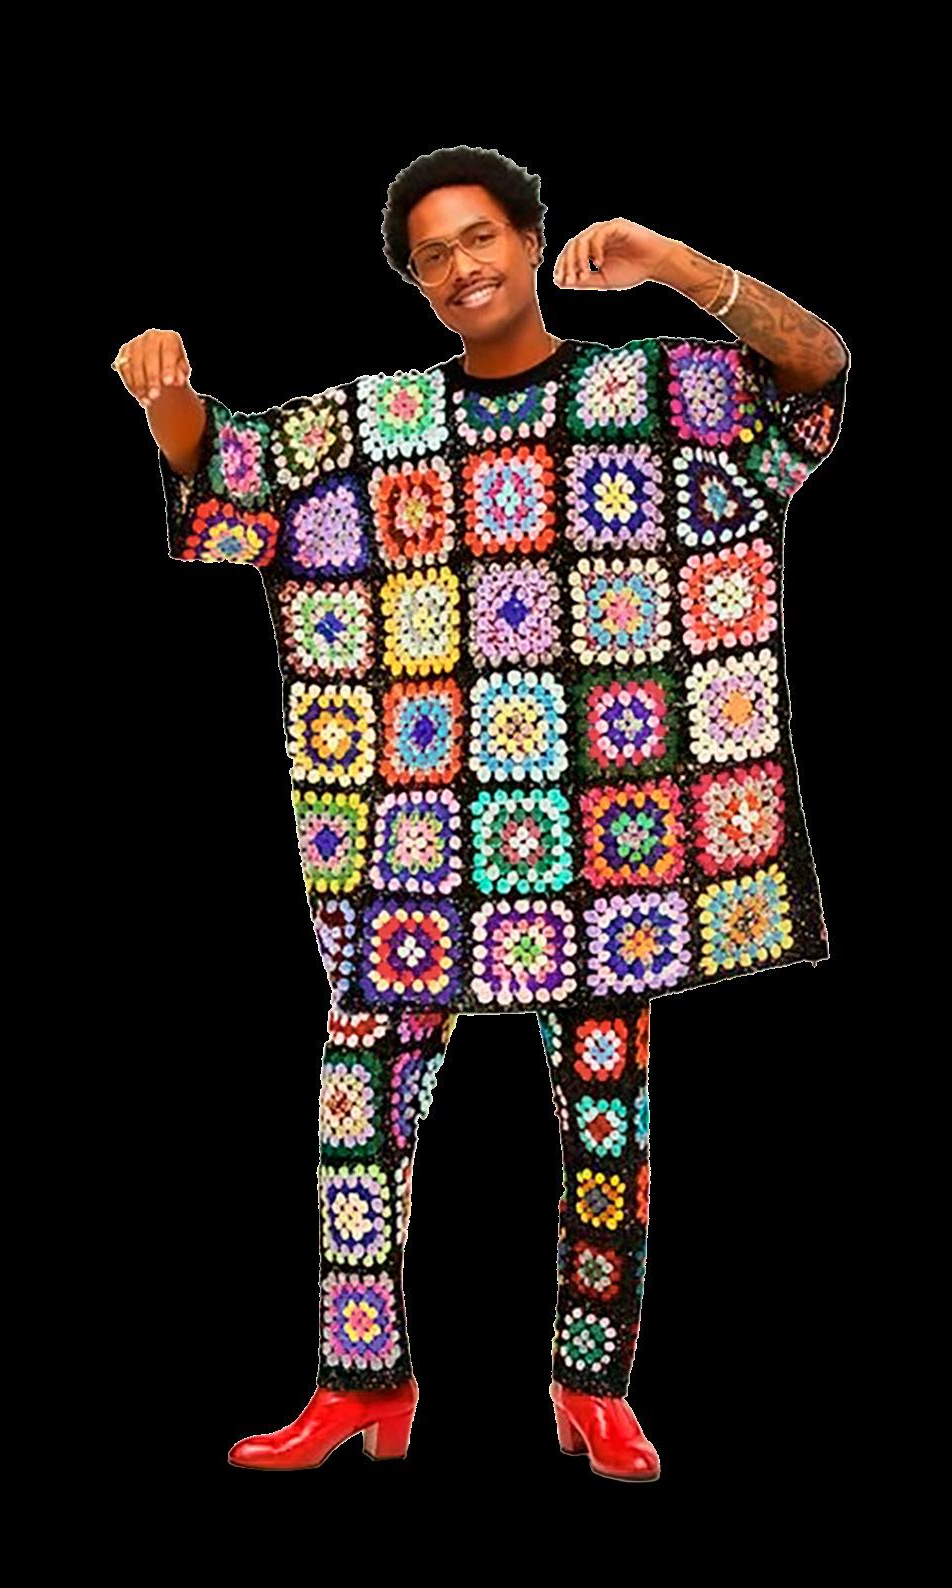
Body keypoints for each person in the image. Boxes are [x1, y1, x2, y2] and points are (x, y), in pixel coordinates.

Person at [115, 144, 848, 1482]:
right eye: (433, 255)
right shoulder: (379, 424)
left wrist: (674, 265)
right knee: (355, 1105)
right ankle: (361, 1382)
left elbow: (812, 384)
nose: (462, 267)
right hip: (421, 839)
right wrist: (169, 402)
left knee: (609, 1120)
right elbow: (235, 486)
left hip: (612, 844)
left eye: (480, 237)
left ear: (528, 235)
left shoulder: (652, 392)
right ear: (417, 280)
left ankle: (592, 1388)